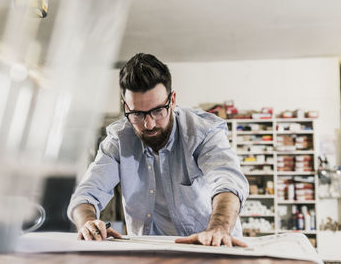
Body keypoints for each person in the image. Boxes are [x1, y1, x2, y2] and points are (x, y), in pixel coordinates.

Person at [67, 53, 249, 247]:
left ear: (173, 100)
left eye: (157, 111)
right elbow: (87, 192)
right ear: (125, 107)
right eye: (137, 114)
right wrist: (87, 222)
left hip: (209, 246)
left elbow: (229, 181)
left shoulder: (203, 132)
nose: (149, 124)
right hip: (149, 250)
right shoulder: (119, 140)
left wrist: (218, 227)